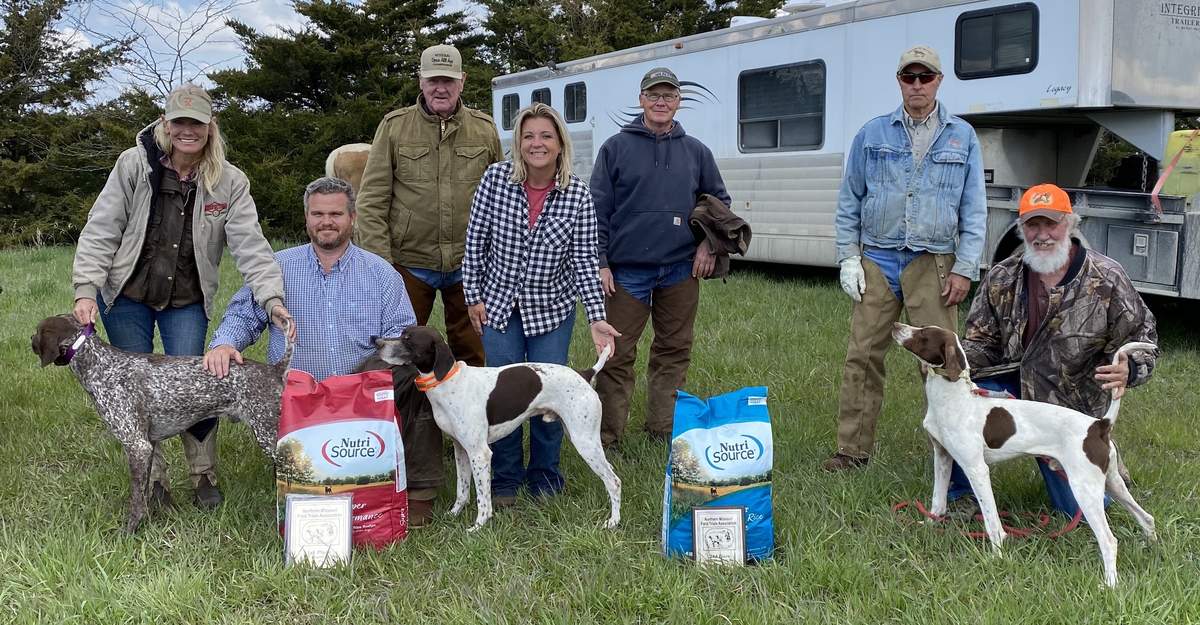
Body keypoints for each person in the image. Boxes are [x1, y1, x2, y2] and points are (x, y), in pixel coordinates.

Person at [72, 83, 290, 509]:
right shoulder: (134, 165)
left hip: (187, 300)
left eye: (197, 122)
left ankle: (203, 476)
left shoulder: (230, 181)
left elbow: (251, 245)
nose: (188, 130)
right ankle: (154, 484)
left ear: (211, 127)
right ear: (165, 124)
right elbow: (102, 228)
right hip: (127, 296)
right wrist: (85, 290)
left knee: (206, 384)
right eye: (179, 122)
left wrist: (271, 299)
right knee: (132, 396)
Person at [355, 43, 503, 516]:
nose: (441, 87)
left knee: (471, 357)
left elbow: (501, 196)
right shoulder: (395, 128)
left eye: (449, 80)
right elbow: (373, 200)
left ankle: (472, 441)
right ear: (421, 82)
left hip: (469, 264)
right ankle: (400, 451)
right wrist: (382, 268)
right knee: (400, 362)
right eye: (433, 80)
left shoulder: (484, 130)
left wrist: (494, 259)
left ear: (462, 84)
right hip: (409, 265)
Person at [823, 45, 987, 472]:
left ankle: (954, 453)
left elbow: (974, 208)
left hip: (933, 264)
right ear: (899, 81)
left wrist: (966, 268)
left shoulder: (962, 136)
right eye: (908, 77)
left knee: (943, 362)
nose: (917, 84)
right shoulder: (872, 133)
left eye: (925, 77)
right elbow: (849, 200)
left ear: (938, 81)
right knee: (862, 355)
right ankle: (852, 451)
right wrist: (849, 258)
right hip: (877, 260)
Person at [952, 183, 1157, 516]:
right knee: (963, 405)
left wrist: (1129, 368)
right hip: (1012, 395)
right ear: (1021, 229)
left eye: (1052, 223)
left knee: (1078, 510)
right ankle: (962, 492)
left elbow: (1144, 340)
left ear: (1071, 224)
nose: (1042, 234)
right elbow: (982, 343)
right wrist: (949, 357)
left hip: (1068, 409)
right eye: (1033, 224)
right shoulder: (1002, 277)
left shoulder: (1106, 277)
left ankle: (1104, 454)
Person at [462, 103, 620, 506]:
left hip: (552, 310)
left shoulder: (577, 193)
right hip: (498, 308)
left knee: (551, 396)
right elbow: (475, 243)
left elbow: (585, 259)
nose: (537, 143)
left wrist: (596, 319)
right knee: (504, 399)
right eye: (529, 136)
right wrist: (473, 297)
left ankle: (546, 477)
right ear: (518, 143)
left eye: (545, 136)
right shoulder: (496, 180)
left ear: (559, 143)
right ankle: (505, 480)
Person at [590, 67, 731, 447]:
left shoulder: (696, 151)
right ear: (641, 99)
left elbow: (718, 203)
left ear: (678, 102)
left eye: (668, 95)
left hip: (680, 269)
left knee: (673, 350)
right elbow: (597, 209)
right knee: (615, 354)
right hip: (626, 272)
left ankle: (663, 430)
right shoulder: (615, 148)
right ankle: (607, 437)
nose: (661, 102)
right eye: (654, 94)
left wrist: (707, 245)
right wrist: (601, 261)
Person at [202, 176, 416, 382]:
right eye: (317, 214)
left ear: (353, 217)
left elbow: (400, 336)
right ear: (307, 217)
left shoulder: (381, 274)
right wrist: (224, 344)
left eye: (336, 214)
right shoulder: (275, 267)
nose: (326, 222)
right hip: (294, 398)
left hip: (360, 399)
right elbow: (243, 316)